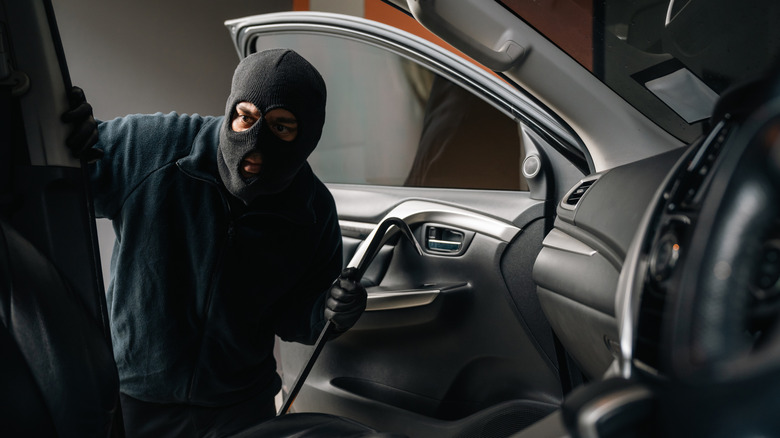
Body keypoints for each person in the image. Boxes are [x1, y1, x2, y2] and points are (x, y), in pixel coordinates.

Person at [63, 48, 367, 437]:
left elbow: (297, 318)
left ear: (307, 135)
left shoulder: (312, 209)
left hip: (239, 407)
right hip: (136, 396)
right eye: (246, 117)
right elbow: (60, 185)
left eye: (281, 127)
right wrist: (60, 132)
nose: (256, 142)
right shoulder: (154, 147)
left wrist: (330, 312)